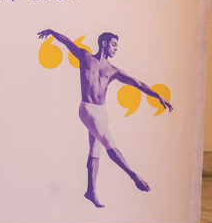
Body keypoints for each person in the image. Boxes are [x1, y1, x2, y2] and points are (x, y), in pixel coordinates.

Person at [37, 29, 173, 208]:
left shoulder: (113, 70)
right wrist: (51, 32)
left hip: (102, 112)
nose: (116, 48)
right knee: (109, 143)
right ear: (104, 44)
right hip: (87, 109)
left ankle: (91, 192)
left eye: (117, 46)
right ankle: (134, 175)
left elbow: (137, 83)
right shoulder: (85, 57)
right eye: (114, 44)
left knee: (95, 151)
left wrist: (158, 96)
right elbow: (67, 42)